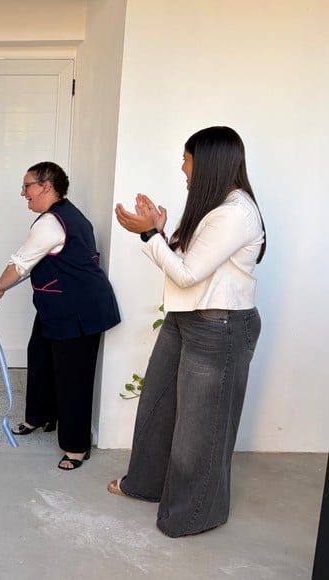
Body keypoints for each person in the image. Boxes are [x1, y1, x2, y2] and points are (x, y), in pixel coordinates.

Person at [111, 126, 266, 537]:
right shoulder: (214, 208)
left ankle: (192, 515)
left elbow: (186, 274)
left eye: (187, 158)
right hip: (187, 318)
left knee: (202, 430)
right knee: (158, 406)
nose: (182, 167)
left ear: (208, 162)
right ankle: (144, 485)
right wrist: (159, 231)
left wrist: (148, 234)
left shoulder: (236, 212)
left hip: (220, 327)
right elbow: (185, 264)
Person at [0, 162, 120, 471]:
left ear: (47, 186)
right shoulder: (65, 216)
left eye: (27, 186)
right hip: (55, 307)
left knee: (74, 378)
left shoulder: (51, 222)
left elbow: (19, 265)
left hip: (79, 312)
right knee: (41, 358)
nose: (23, 193)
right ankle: (38, 416)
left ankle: (76, 447)